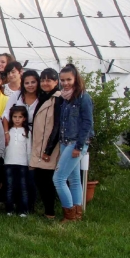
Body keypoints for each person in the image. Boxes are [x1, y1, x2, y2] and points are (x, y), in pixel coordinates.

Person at [53, 64, 94, 223]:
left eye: (68, 79)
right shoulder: (65, 98)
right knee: (74, 179)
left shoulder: (84, 97)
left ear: (76, 79)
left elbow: (87, 123)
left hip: (76, 142)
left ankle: (69, 214)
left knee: (58, 179)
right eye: (62, 80)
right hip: (65, 141)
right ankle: (77, 214)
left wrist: (79, 146)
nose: (65, 83)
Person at [29, 68, 62, 220]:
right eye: (43, 80)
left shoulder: (58, 99)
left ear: (56, 82)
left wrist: (48, 150)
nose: (45, 83)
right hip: (39, 145)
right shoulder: (42, 97)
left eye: (49, 80)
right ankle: (48, 211)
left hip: (50, 147)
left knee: (46, 180)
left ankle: (50, 212)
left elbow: (57, 126)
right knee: (40, 179)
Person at [4, 106, 32, 217]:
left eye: (20, 117)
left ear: (24, 118)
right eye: (15, 117)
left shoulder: (27, 131)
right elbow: (4, 147)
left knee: (23, 187)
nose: (17, 119)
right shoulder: (8, 131)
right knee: (9, 186)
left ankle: (23, 210)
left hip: (23, 164)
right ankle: (9, 210)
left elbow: (29, 148)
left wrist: (29, 163)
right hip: (8, 163)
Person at [3, 70, 40, 145]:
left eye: (33, 82)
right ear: (23, 84)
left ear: (38, 82)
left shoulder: (41, 98)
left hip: (37, 135)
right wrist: (6, 132)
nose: (30, 85)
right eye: (27, 83)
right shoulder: (16, 95)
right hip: (16, 132)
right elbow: (6, 114)